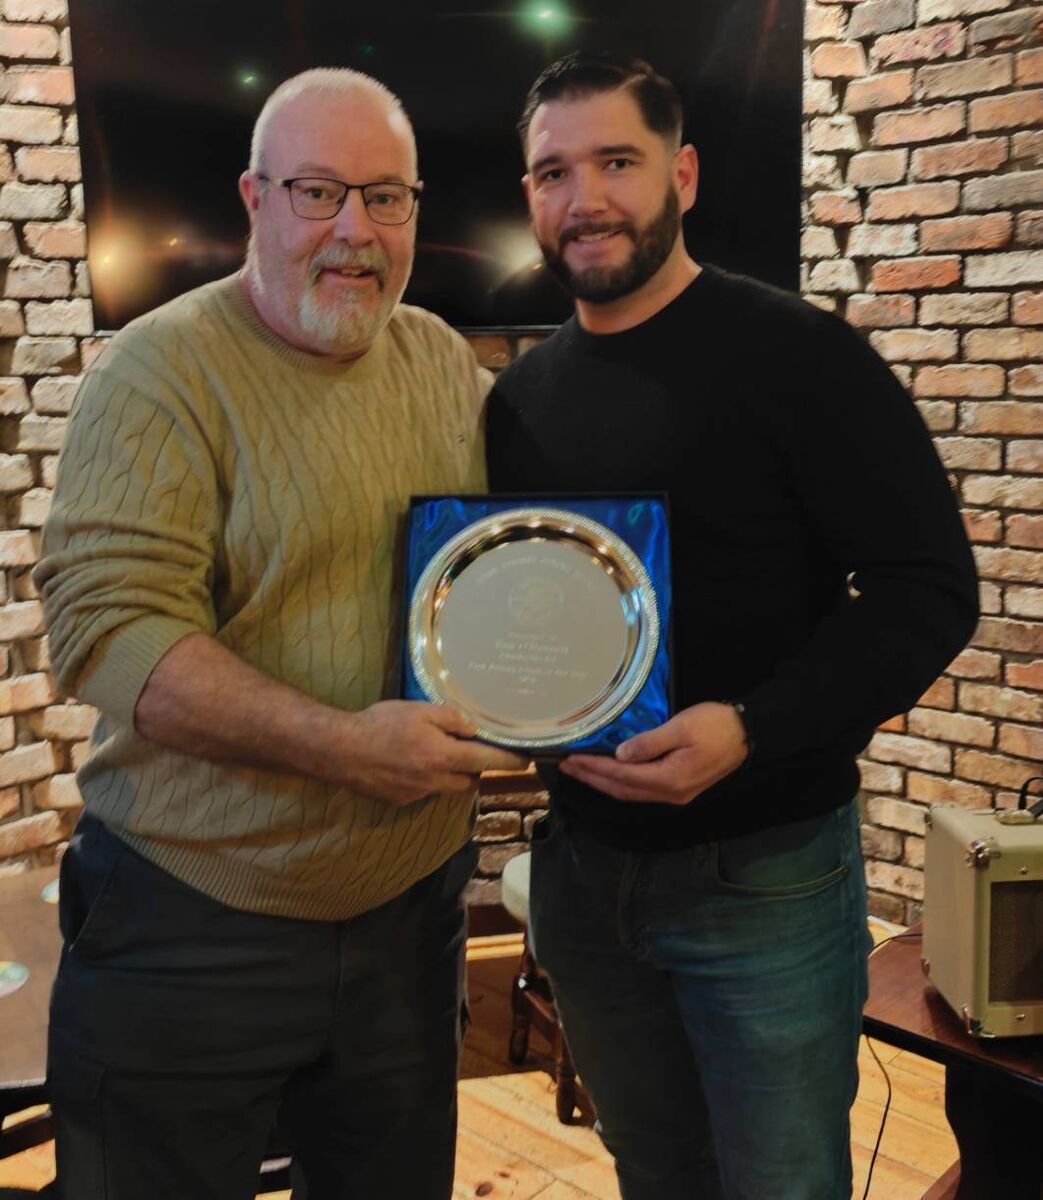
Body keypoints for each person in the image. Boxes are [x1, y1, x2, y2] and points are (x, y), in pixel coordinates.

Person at [486, 53, 979, 1200]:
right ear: (528, 199)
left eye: (618, 160)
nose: (585, 197)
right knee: (653, 1173)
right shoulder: (517, 398)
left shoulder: (797, 357)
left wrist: (752, 728)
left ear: (684, 174)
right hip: (581, 881)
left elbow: (926, 590)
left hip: (764, 879)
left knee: (781, 1184)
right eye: (552, 171)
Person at [34, 67, 525, 1200]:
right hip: (192, 926)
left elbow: (497, 581)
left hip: (410, 919)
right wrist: (347, 747)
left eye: (386, 197)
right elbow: (108, 631)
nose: (354, 229)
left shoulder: (442, 363)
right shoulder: (158, 373)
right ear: (253, 200)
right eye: (318, 192)